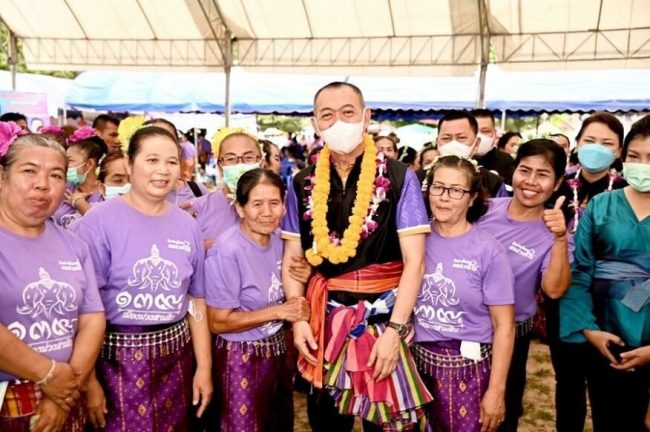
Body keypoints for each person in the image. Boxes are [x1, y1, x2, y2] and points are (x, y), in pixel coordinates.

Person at [282, 81, 433, 431]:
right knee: (326, 422)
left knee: (384, 421)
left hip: (383, 320)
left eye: (348, 112)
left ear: (366, 117)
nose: (338, 122)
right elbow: (291, 261)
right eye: (327, 115)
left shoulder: (399, 177)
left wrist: (395, 331)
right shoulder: (302, 181)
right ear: (316, 123)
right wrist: (298, 317)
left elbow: (416, 262)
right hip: (324, 321)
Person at [69, 126, 212, 432]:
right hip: (113, 364)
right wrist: (89, 380)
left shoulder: (188, 226)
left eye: (172, 162)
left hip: (175, 360)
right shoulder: (96, 223)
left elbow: (196, 301)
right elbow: (81, 310)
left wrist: (204, 368)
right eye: (152, 160)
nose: (163, 171)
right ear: (130, 165)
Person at [0, 132, 106, 431]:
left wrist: (66, 387)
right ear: (2, 177)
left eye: (56, 175)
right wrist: (48, 375)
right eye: (29, 170)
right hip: (9, 393)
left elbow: (91, 317)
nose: (43, 184)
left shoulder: (74, 244)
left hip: (70, 387)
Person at [475, 139, 573, 432]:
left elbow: (554, 289)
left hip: (509, 338)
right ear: (512, 173)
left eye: (542, 174)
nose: (530, 182)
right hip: (458, 330)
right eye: (524, 170)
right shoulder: (484, 209)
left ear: (556, 184)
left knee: (496, 418)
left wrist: (558, 240)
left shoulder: (555, 232)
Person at [560, 115, 650, 432]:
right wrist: (588, 329)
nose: (642, 165)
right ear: (623, 158)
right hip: (606, 340)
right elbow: (581, 272)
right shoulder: (601, 204)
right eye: (635, 157)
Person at [414, 155, 515, 432]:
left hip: (467, 372)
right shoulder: (414, 239)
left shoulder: (488, 250)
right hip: (416, 364)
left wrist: (496, 391)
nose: (444, 197)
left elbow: (504, 325)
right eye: (438, 187)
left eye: (456, 190)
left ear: (471, 198)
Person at [206, 168, 310, 431]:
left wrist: (305, 275)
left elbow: (292, 289)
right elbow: (218, 322)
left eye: (274, 203)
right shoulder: (227, 251)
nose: (267, 212)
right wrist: (279, 312)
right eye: (257, 204)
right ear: (240, 209)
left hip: (276, 353)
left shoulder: (281, 241)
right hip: (240, 359)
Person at [544, 112, 627, 432]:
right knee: (567, 382)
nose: (596, 148)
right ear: (577, 144)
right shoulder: (557, 187)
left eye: (607, 143)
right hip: (562, 294)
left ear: (619, 151)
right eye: (590, 140)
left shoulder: (627, 190)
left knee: (607, 380)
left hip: (611, 300)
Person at [436, 111, 508, 197]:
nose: (454, 144)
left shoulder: (493, 183)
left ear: (476, 143)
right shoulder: (419, 180)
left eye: (461, 138)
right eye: (446, 138)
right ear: (437, 142)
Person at [142, 119, 209, 205]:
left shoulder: (198, 190)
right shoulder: (127, 195)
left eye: (165, 140)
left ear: (179, 149)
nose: (158, 147)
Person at [53, 127, 107, 228]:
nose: (65, 165)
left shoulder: (105, 193)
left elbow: (105, 228)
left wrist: (79, 203)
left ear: (89, 164)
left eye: (70, 161)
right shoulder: (63, 188)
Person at [471, 109, 516, 185]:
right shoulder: (457, 160)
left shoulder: (506, 162)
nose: (479, 137)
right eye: (474, 131)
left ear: (495, 134)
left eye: (485, 131)